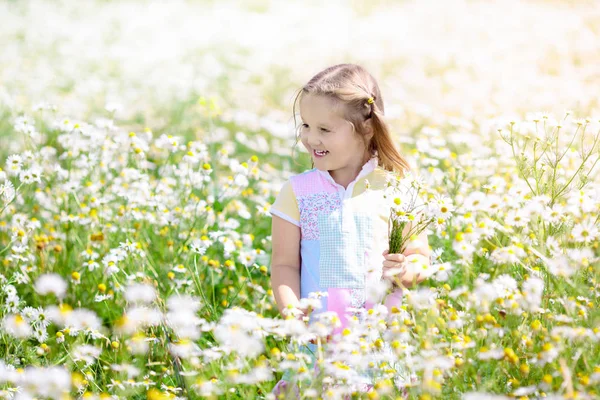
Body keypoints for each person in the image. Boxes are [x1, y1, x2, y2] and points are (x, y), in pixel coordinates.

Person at [268, 63, 431, 398]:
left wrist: (406, 269)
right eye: (306, 126)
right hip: (319, 342)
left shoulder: (397, 189)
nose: (311, 138)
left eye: (325, 130)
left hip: (379, 340)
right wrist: (291, 309)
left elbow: (420, 258)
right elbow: (284, 265)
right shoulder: (297, 191)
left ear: (366, 129)